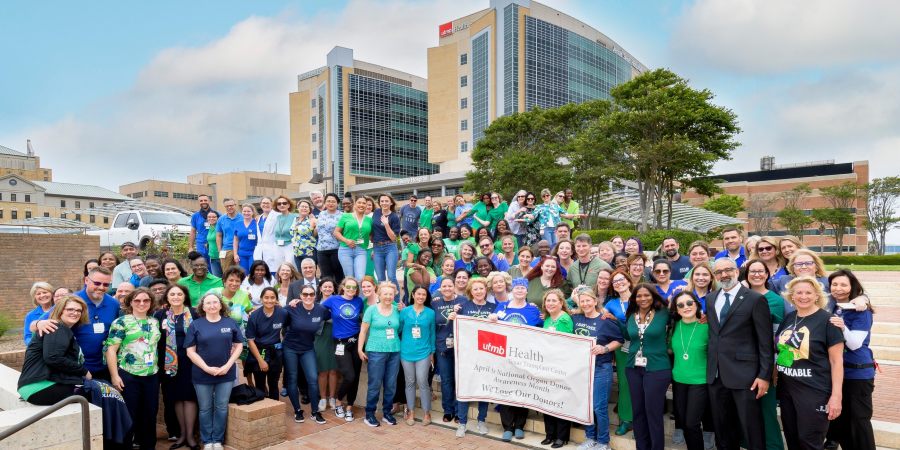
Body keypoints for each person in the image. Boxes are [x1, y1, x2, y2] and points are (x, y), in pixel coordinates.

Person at [707, 258, 773, 450]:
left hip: (745, 376)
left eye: (728, 270)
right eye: (719, 272)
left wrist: (764, 375)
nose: (724, 275)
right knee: (722, 429)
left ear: (736, 271)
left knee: (751, 428)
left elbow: (765, 342)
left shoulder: (755, 299)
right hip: (716, 375)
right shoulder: (711, 299)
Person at [775, 277, 844, 450]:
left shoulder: (828, 321)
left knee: (809, 441)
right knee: (792, 438)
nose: (803, 296)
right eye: (798, 292)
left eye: (808, 293)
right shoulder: (789, 318)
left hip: (814, 391)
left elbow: (837, 362)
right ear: (791, 296)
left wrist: (836, 396)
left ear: (817, 296)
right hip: (787, 390)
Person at [32, 266, 120, 381]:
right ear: (86, 280)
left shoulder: (113, 304)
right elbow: (33, 325)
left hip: (104, 367)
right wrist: (39, 324)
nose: (101, 287)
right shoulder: (71, 301)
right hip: (76, 369)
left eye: (106, 284)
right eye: (97, 283)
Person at [185, 292, 244, 450]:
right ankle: (207, 440)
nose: (212, 305)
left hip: (226, 373)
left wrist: (228, 365)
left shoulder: (230, 323)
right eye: (208, 303)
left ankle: (217, 440)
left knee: (221, 407)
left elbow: (239, 345)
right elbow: (190, 351)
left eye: (215, 302)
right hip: (202, 374)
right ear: (203, 307)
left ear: (220, 305)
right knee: (205, 408)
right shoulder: (196, 325)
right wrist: (206, 368)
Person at [105, 288, 162, 450]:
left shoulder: (154, 321)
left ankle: (148, 446)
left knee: (150, 414)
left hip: (151, 374)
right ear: (130, 302)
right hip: (128, 374)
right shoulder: (121, 322)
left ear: (151, 303)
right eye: (137, 300)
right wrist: (115, 376)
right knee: (129, 415)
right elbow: (111, 350)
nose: (142, 304)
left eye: (146, 300)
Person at [826, 269, 875, 450]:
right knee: (843, 422)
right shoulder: (832, 306)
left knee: (859, 422)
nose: (838, 288)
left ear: (852, 286)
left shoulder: (862, 310)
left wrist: (842, 326)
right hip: (836, 372)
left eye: (844, 284)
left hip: (857, 372)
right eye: (835, 284)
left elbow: (854, 343)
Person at [491, 277, 543, 442]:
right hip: (504, 357)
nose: (519, 290)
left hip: (525, 358)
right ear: (511, 290)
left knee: (523, 390)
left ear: (527, 291)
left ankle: (520, 425)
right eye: (517, 288)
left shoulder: (533, 310)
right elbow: (492, 328)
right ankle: (507, 427)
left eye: (523, 288)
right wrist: (491, 319)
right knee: (506, 390)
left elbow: (542, 332)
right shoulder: (502, 307)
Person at [620, 284, 671, 450]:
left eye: (647, 295)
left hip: (657, 368)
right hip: (633, 367)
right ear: (634, 298)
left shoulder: (664, 312)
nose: (643, 299)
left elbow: (686, 319)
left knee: (653, 412)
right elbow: (628, 336)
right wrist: (612, 319)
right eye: (639, 296)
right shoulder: (631, 316)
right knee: (638, 411)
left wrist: (702, 317)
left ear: (653, 296)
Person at [743, 259, 786, 450]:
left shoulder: (775, 300)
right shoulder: (740, 297)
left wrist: (773, 365)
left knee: (766, 409)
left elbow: (777, 337)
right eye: (752, 271)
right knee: (746, 408)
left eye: (761, 271)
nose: (757, 274)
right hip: (742, 361)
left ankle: (773, 446)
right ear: (746, 275)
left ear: (767, 275)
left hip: (765, 362)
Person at [18, 294, 90, 405]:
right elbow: (53, 357)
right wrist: (83, 371)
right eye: (70, 309)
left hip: (35, 386)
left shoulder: (60, 328)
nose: (75, 313)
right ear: (60, 310)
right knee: (99, 392)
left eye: (78, 310)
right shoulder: (57, 328)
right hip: (40, 387)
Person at [575, 288, 623, 450]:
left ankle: (603, 442)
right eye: (583, 301)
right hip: (582, 369)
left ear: (595, 301)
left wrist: (605, 348)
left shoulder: (605, 320)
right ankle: (590, 438)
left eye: (589, 300)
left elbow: (619, 340)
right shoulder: (576, 318)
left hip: (602, 368)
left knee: (599, 407)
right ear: (579, 303)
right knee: (586, 406)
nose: (586, 303)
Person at [155, 284, 199, 450]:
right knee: (176, 398)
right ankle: (181, 435)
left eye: (179, 294)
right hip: (169, 364)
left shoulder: (194, 313)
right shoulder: (160, 315)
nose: (175, 297)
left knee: (189, 397)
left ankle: (190, 436)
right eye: (172, 294)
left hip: (191, 362)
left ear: (184, 296)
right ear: (167, 297)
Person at [452, 277, 496, 438]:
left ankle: (481, 421)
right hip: (466, 356)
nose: (478, 292)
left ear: (486, 290)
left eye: (481, 289)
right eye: (475, 289)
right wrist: (453, 316)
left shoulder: (493, 307)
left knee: (483, 388)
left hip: (486, 355)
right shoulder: (463, 307)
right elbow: (455, 324)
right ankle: (462, 423)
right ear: (470, 291)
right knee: (465, 388)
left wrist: (496, 319)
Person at [282, 285, 329, 424]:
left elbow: (337, 314)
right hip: (290, 348)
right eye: (305, 294)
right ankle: (297, 410)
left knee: (313, 379)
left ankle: (315, 411)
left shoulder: (321, 310)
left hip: (308, 348)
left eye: (311, 294)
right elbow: (276, 315)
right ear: (300, 296)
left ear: (315, 295)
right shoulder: (292, 308)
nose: (308, 297)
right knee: (292, 378)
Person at [668, 291, 709, 450]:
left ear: (697, 304)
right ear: (676, 309)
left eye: (690, 303)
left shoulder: (707, 325)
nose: (686, 307)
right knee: (684, 423)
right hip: (679, 381)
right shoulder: (674, 326)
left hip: (700, 382)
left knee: (692, 423)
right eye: (680, 305)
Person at [358, 282, 402, 427]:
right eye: (385, 294)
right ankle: (369, 414)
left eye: (391, 294)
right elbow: (363, 331)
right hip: (376, 351)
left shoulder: (397, 310)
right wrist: (360, 349)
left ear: (394, 295)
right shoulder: (371, 310)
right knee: (375, 384)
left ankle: (387, 413)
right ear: (379, 294)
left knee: (390, 385)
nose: (388, 296)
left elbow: (401, 328)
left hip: (394, 351)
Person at [321, 277, 365, 421]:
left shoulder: (358, 301)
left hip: (356, 342)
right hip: (340, 344)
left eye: (354, 288)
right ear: (343, 287)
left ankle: (349, 407)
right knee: (349, 375)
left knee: (356, 376)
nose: (351, 290)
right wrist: (297, 302)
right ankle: (339, 401)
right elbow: (316, 309)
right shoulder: (333, 300)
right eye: (349, 287)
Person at [604, 268, 635, 436]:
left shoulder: (640, 296)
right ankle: (625, 419)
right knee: (624, 383)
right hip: (622, 348)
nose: (619, 283)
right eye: (615, 281)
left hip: (644, 346)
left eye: (621, 279)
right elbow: (599, 317)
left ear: (629, 281)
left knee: (643, 383)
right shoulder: (611, 304)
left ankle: (641, 418)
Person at [399, 285, 436, 426]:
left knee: (422, 381)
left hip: (424, 352)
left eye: (424, 295)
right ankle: (411, 411)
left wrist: (432, 352)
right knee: (410, 382)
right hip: (406, 351)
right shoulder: (405, 312)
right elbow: (399, 329)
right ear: (413, 295)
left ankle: (427, 412)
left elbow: (432, 333)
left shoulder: (430, 313)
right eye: (418, 294)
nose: (421, 297)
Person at [432, 277, 466, 423]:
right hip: (442, 346)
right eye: (444, 286)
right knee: (446, 380)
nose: (447, 288)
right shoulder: (435, 302)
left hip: (460, 347)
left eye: (449, 286)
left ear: (454, 286)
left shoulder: (463, 300)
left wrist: (458, 316)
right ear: (440, 288)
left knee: (459, 379)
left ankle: (459, 411)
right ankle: (448, 410)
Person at [245, 287, 286, 401]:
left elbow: (290, 324)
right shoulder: (254, 316)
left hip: (276, 352)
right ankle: (262, 412)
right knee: (260, 384)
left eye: (272, 297)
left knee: (273, 384)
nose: (269, 300)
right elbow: (250, 340)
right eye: (266, 297)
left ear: (276, 299)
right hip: (259, 352)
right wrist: (260, 360)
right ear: (261, 299)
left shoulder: (282, 313)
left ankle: (274, 412)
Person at [335, 196, 373, 280]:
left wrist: (374, 248)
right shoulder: (345, 216)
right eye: (359, 202)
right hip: (345, 250)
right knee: (349, 278)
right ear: (355, 205)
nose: (361, 205)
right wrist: (346, 240)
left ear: (366, 206)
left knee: (360, 277)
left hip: (361, 250)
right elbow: (336, 232)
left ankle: (360, 293)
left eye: (364, 203)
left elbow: (372, 236)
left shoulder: (369, 220)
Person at [372, 194, 401, 288]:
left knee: (391, 276)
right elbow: (373, 230)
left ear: (391, 203)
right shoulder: (376, 212)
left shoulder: (394, 217)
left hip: (390, 247)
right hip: (377, 248)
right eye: (382, 201)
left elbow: (393, 238)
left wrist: (386, 224)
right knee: (380, 278)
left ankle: (396, 301)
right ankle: (382, 300)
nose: (384, 203)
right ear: (379, 203)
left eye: (386, 201)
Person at [262, 195, 297, 272]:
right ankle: (281, 284)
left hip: (289, 246)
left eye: (284, 203)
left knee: (289, 267)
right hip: (277, 246)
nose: (282, 205)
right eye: (279, 203)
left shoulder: (295, 217)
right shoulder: (277, 217)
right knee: (279, 268)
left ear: (288, 205)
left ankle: (292, 283)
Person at [316, 193, 346, 282]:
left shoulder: (342, 215)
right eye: (328, 201)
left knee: (338, 275)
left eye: (333, 201)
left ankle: (339, 294)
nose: (331, 203)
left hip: (336, 249)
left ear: (337, 203)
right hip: (321, 250)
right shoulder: (321, 214)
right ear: (325, 203)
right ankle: (328, 295)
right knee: (325, 276)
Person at [189, 194, 217, 265]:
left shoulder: (216, 214)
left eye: (205, 200)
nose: (203, 202)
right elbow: (193, 231)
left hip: (213, 243)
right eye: (201, 201)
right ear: (199, 202)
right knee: (202, 264)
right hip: (201, 244)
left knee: (213, 264)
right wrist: (191, 247)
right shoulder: (195, 216)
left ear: (209, 201)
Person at [291, 199, 318, 270]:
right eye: (302, 206)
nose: (304, 208)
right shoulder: (295, 219)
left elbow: (316, 234)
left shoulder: (312, 220)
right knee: (300, 274)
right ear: (298, 208)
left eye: (306, 207)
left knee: (310, 273)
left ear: (310, 210)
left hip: (308, 252)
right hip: (296, 252)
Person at [215, 198, 240, 273]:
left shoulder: (242, 217)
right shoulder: (221, 219)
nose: (229, 207)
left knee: (240, 273)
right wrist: (220, 250)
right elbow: (219, 235)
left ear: (235, 205)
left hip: (240, 249)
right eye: (227, 206)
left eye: (231, 205)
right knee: (226, 273)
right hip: (226, 250)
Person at [232, 203, 259, 273]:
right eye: (244, 211)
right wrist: (235, 254)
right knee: (243, 274)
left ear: (253, 212)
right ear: (242, 212)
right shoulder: (238, 224)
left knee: (253, 273)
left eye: (249, 211)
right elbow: (235, 240)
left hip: (254, 253)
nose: (246, 213)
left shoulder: (257, 223)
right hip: (242, 253)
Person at [206, 211, 222, 277]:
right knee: (216, 278)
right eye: (209, 217)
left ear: (218, 218)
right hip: (212, 257)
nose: (211, 218)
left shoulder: (220, 227)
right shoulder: (210, 227)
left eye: (214, 217)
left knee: (224, 277)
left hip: (220, 257)